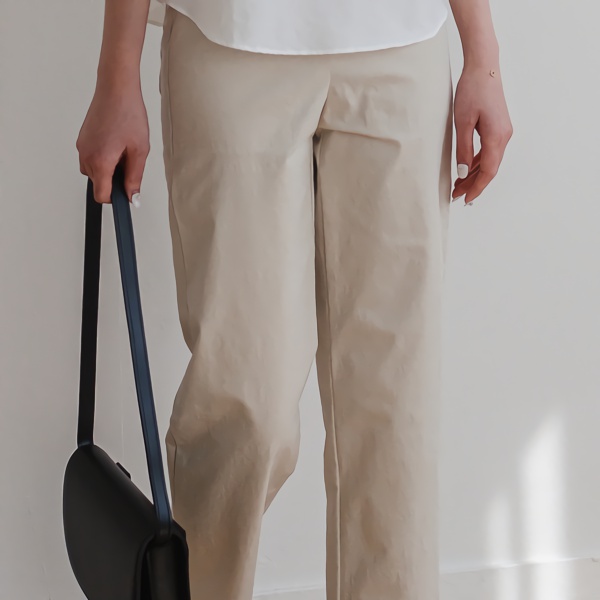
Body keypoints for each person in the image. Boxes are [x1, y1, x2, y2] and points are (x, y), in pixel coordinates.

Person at [76, 0, 512, 597]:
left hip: (401, 53)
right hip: (231, 42)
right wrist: (116, 76)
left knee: (394, 404)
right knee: (245, 402)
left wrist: (483, 56)